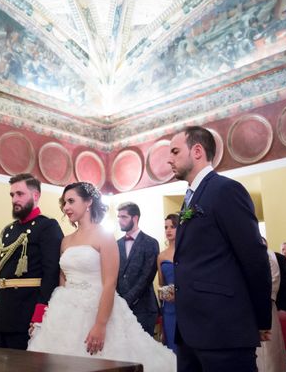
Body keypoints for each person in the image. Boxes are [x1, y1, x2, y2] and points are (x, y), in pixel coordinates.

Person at [28, 182, 176, 371]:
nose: (66, 208)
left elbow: (109, 283)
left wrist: (100, 324)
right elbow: (62, 281)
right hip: (65, 311)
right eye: (64, 203)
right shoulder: (66, 241)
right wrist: (48, 320)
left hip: (97, 308)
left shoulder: (104, 236)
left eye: (71, 201)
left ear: (88, 202)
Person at [167, 126, 272, 372]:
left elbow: (253, 257)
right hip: (190, 330)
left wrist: (261, 318)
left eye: (174, 151)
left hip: (223, 328)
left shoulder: (225, 190)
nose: (169, 159)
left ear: (197, 151)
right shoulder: (189, 198)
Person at [0, 173, 64, 350]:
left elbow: (51, 272)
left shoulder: (47, 226)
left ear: (36, 195)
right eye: (12, 195)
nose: (14, 199)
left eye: (20, 194)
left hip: (27, 311)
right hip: (3, 312)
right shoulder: (9, 230)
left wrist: (40, 311)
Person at [115, 201, 160, 336]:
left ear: (135, 218)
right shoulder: (116, 244)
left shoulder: (151, 243)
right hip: (119, 309)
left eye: (124, 217)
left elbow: (147, 276)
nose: (120, 221)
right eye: (119, 217)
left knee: (144, 353)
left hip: (143, 308)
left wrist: (127, 300)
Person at [256, 242, 286, 372]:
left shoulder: (268, 255)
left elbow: (272, 282)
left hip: (265, 307)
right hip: (252, 311)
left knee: (269, 353)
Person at [157, 213, 179, 352]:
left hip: (187, 305)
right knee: (172, 347)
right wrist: (164, 292)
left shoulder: (187, 252)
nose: (168, 230)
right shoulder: (161, 256)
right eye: (166, 227)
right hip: (170, 307)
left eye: (173, 227)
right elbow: (161, 284)